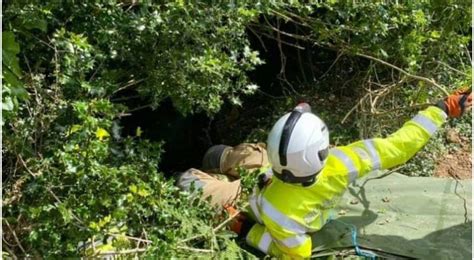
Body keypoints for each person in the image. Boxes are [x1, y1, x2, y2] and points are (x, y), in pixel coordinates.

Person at [175, 89, 472, 258]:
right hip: (268, 176)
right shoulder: (343, 162)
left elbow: (294, 254)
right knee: (242, 158)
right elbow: (399, 146)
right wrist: (442, 109)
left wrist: (246, 230)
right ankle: (221, 160)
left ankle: (212, 167)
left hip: (250, 201)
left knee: (188, 181)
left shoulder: (280, 213)